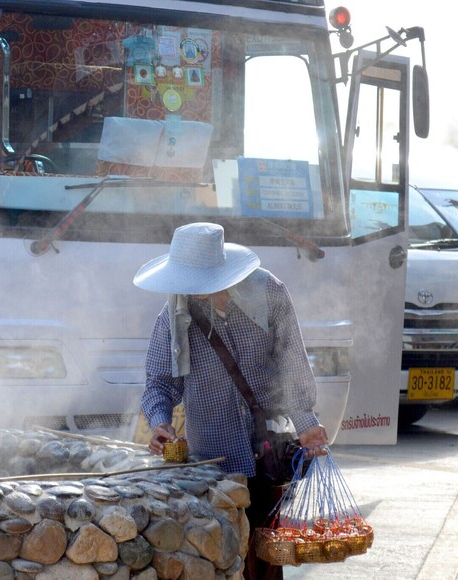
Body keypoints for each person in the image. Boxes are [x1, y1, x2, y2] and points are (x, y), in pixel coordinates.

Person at [134, 222, 328, 580]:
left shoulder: (269, 292)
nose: (192, 290)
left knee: (267, 555)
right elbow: (158, 383)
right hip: (213, 459)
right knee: (222, 559)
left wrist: (307, 425)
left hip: (267, 449)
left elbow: (292, 362)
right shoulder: (174, 315)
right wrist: (160, 422)